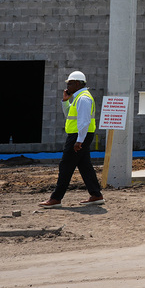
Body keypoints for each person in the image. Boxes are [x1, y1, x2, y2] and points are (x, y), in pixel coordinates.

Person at [39, 70, 105, 208]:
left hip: (79, 136)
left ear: (76, 83)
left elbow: (84, 121)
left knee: (66, 165)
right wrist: (65, 101)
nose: (67, 87)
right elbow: (69, 114)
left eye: (69, 84)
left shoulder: (83, 98)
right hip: (78, 135)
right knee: (84, 165)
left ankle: (56, 198)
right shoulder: (78, 97)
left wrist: (79, 140)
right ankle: (96, 195)